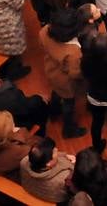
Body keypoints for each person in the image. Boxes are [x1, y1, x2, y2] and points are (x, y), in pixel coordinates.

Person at [38, 8, 87, 138]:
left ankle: (53, 112)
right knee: (68, 103)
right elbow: (75, 73)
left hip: (50, 69)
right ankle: (68, 129)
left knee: (55, 93)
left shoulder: (44, 32)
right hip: (65, 82)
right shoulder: (73, 52)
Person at [20, 138, 76, 202]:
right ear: (49, 163)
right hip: (53, 199)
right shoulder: (64, 177)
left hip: (30, 189)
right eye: (55, 152)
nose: (57, 150)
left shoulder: (24, 161)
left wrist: (65, 155)